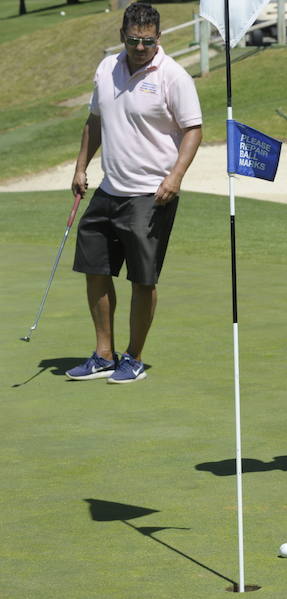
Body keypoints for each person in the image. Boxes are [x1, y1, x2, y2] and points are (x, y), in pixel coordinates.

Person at [65, 3, 202, 384]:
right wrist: (80, 166)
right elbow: (94, 120)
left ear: (158, 38)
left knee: (143, 278)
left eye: (147, 41)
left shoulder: (173, 76)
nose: (140, 47)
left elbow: (193, 130)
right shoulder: (106, 68)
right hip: (109, 189)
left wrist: (175, 177)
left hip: (151, 194)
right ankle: (103, 354)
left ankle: (134, 357)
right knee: (95, 269)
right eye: (133, 40)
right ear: (121, 36)